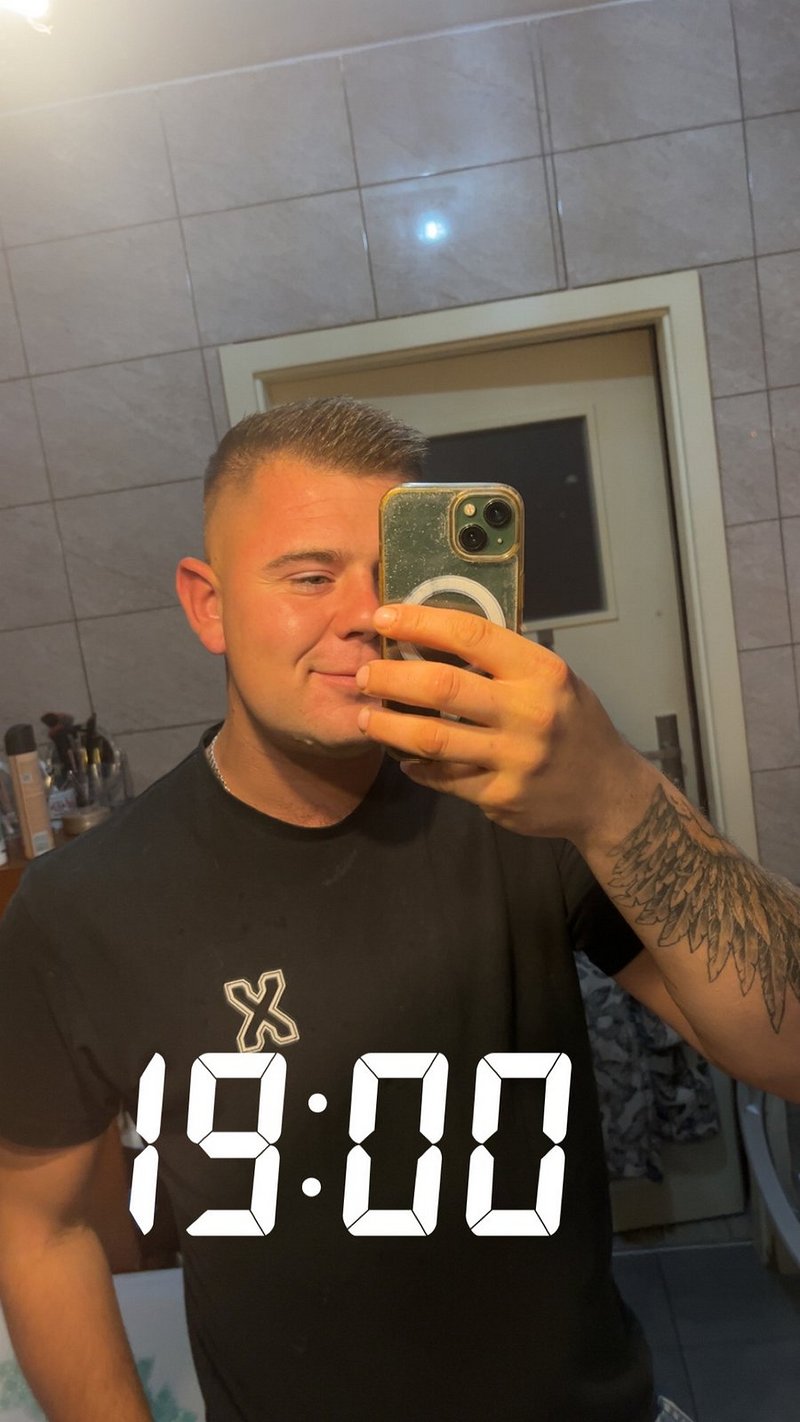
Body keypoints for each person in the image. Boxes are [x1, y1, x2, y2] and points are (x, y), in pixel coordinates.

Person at [0, 396, 797, 1422]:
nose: (366, 618)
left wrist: (615, 795)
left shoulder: (534, 810)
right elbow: (39, 1223)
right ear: (209, 605)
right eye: (309, 576)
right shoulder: (80, 909)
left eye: (396, 575)